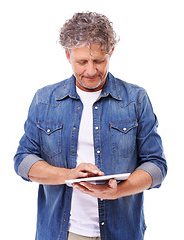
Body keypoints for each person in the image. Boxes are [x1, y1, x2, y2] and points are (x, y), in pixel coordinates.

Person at [14, 12, 167, 240]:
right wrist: (69, 174)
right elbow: (23, 161)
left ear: (110, 52)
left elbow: (156, 166)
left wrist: (117, 191)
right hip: (62, 233)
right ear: (68, 55)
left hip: (122, 233)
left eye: (98, 61)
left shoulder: (136, 99)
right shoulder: (44, 100)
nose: (91, 71)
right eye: (82, 61)